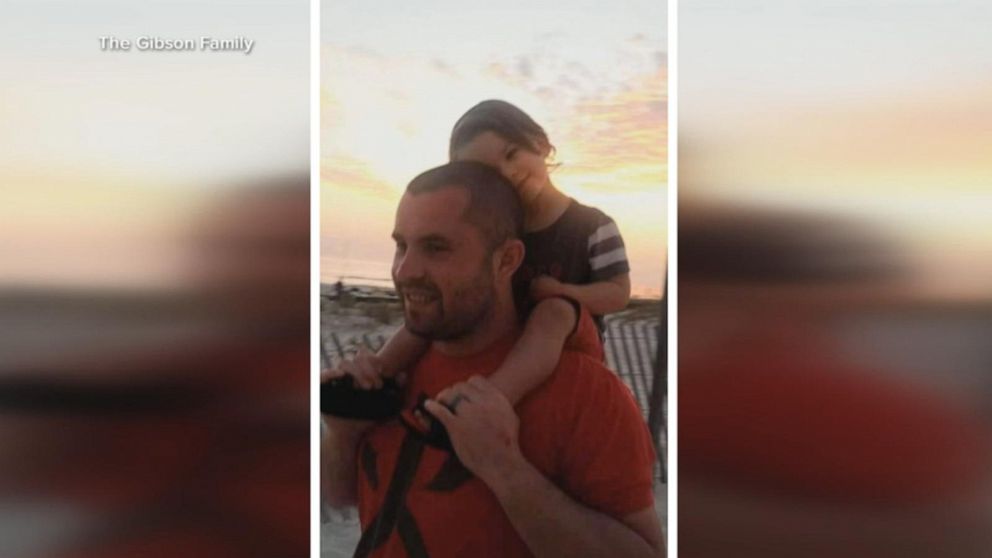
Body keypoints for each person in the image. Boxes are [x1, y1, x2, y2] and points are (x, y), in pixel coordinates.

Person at [323, 162, 663, 557]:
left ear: (506, 261)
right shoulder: (393, 373)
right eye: (402, 245)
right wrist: (342, 436)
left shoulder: (586, 393)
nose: (405, 270)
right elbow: (344, 495)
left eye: (436, 248)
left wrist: (505, 469)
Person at [337, 99, 630, 418]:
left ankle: (491, 400)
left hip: (571, 340)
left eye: (511, 154)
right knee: (433, 306)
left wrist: (562, 292)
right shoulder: (497, 228)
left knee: (553, 313)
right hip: (501, 339)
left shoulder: (592, 226)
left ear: (541, 145)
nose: (507, 172)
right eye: (489, 172)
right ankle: (374, 376)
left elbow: (618, 293)